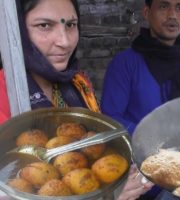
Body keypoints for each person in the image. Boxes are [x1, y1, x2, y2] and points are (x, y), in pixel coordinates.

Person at [0, 0, 152, 199]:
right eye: (44, 25)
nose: (64, 41)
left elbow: (95, 147)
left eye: (70, 25)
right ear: (18, 30)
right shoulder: (4, 92)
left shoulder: (78, 84)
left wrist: (118, 180)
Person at [101, 0, 180, 198]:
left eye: (179, 7)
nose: (172, 15)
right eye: (163, 6)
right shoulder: (125, 64)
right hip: (144, 181)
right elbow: (110, 119)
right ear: (146, 12)